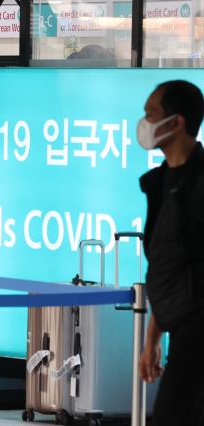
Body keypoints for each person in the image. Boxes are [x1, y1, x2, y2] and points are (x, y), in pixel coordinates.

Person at [137, 80, 204, 425]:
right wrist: (153, 339)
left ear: (176, 122)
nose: (144, 122)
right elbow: (166, 266)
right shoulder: (160, 182)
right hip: (179, 326)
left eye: (151, 113)